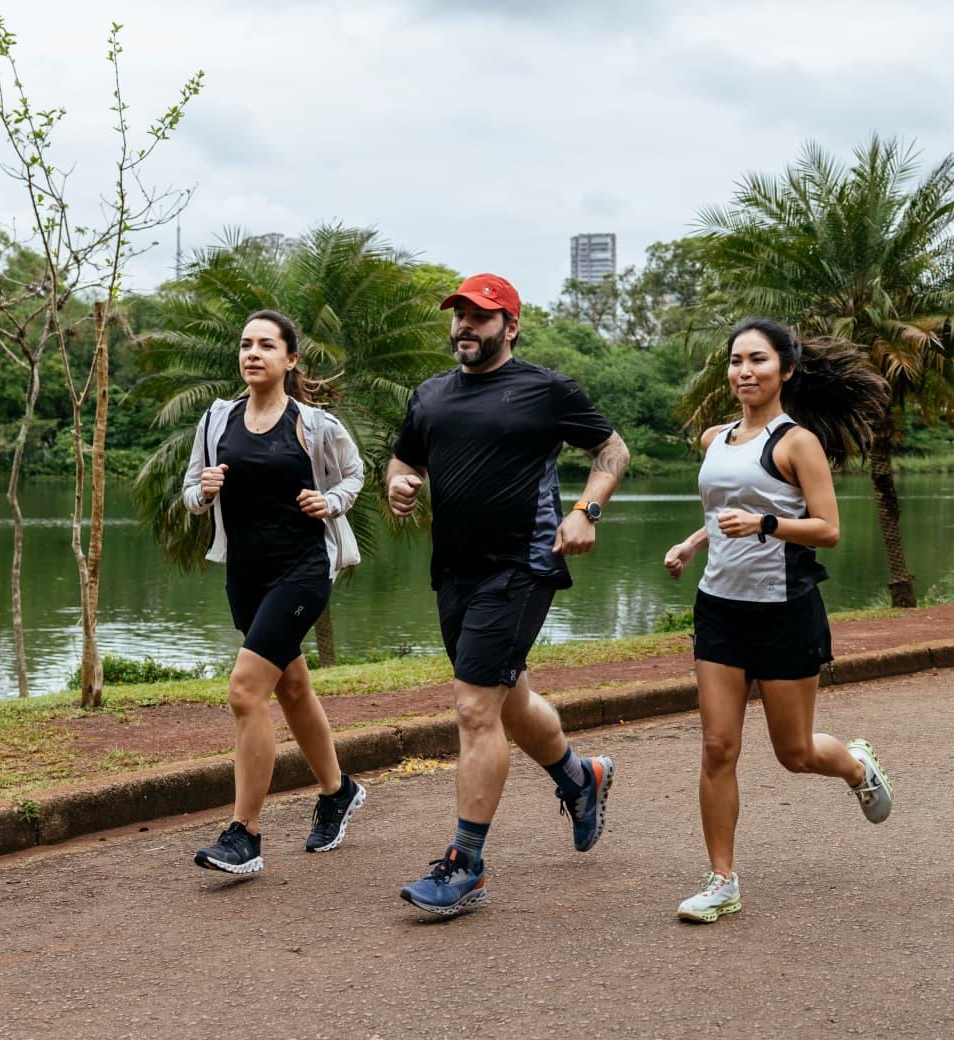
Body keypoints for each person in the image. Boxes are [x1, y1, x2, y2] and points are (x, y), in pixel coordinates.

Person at [387, 273, 630, 916]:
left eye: (480, 316)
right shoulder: (430, 396)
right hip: (455, 571)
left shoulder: (545, 389)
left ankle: (466, 865)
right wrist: (400, 486)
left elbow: (611, 449)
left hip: (522, 566)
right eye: (459, 315)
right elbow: (404, 461)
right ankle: (582, 778)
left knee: (473, 707)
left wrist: (587, 511)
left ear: (510, 326)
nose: (465, 325)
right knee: (505, 698)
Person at [662, 317, 894, 923]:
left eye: (758, 360)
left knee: (794, 752)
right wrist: (694, 544)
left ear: (786, 370)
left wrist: (766, 525)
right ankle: (721, 880)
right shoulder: (716, 438)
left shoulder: (798, 443)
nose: (744, 371)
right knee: (717, 747)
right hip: (719, 609)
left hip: (784, 609)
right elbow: (722, 511)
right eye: (737, 360)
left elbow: (829, 529)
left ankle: (853, 762)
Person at [182, 309, 367, 875]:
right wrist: (204, 491)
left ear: (290, 359)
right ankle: (337, 792)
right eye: (245, 345)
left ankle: (245, 835)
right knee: (290, 686)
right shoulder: (217, 421)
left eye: (266, 345)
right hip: (246, 575)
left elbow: (354, 476)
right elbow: (190, 491)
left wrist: (329, 502)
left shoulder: (315, 425)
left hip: (303, 570)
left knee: (245, 692)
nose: (252, 353)